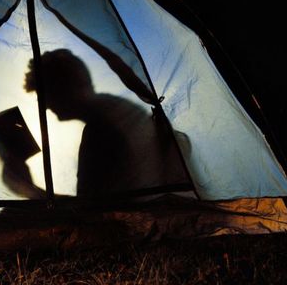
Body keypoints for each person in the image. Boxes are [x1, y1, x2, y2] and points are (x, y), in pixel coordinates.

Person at [12, 48, 185, 199]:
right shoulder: (117, 111)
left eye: (44, 96)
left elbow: (92, 213)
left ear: (63, 88)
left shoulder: (101, 129)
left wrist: (28, 189)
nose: (45, 107)